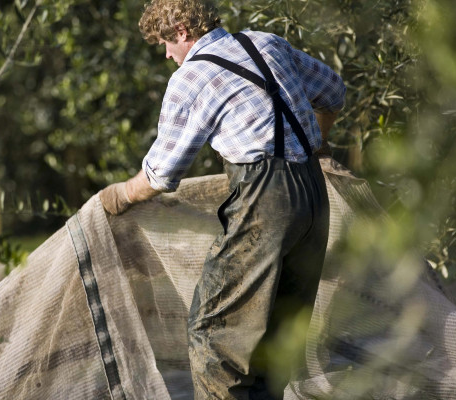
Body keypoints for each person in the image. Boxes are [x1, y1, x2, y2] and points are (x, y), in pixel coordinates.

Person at [99, 0, 346, 398]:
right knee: (278, 333)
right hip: (314, 198)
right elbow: (334, 91)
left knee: (215, 334)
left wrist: (119, 195)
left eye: (165, 42)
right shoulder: (266, 43)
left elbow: (162, 174)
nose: (166, 54)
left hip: (266, 203)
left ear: (181, 30)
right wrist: (317, 141)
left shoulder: (192, 77)